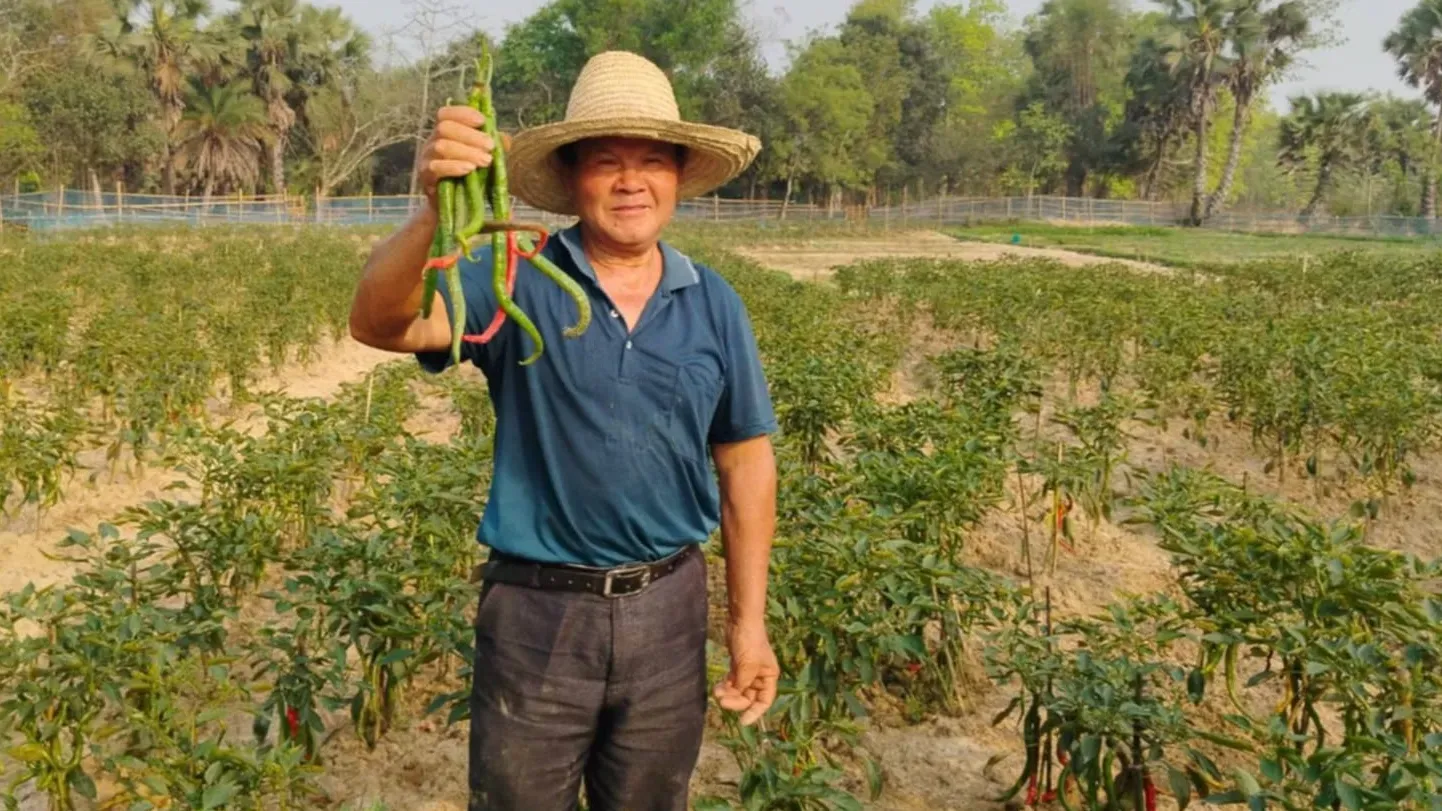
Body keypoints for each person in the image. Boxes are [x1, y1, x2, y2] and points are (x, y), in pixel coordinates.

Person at [347, 50, 780, 811]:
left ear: (678, 177)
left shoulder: (715, 303)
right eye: (606, 161)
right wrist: (431, 212)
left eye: (651, 161)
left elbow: (746, 466)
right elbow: (382, 323)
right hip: (537, 616)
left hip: (668, 609)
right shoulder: (515, 274)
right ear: (574, 178)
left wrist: (748, 628)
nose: (630, 181)